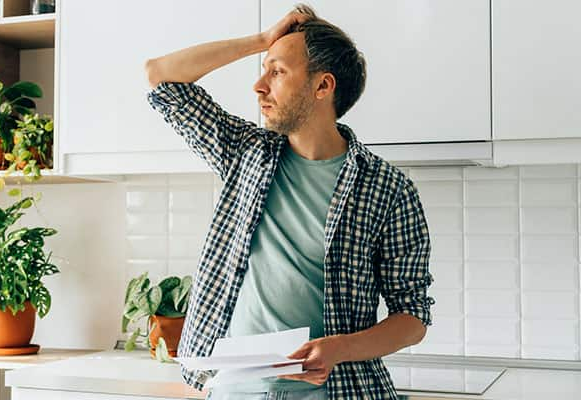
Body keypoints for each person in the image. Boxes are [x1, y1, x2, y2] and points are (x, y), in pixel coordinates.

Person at [145, 4, 435, 400]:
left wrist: (340, 347)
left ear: (323, 86)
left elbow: (413, 317)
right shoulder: (246, 153)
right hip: (234, 390)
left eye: (277, 71)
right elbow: (161, 77)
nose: (259, 86)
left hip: (337, 391)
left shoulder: (388, 189)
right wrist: (263, 41)